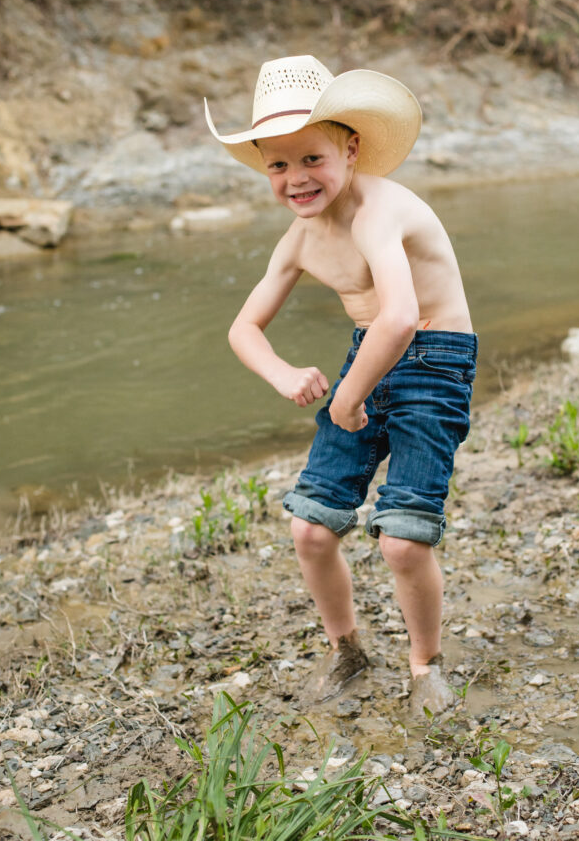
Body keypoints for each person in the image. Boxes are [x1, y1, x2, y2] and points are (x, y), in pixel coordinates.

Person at [205, 54, 477, 714]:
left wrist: (349, 396)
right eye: (278, 165)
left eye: (312, 159)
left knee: (403, 538)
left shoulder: (380, 210)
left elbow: (403, 317)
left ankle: (424, 667)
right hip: (369, 354)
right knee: (311, 530)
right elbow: (243, 327)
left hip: (433, 360)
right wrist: (282, 372)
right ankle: (346, 650)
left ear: (350, 150)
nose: (295, 179)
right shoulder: (298, 240)